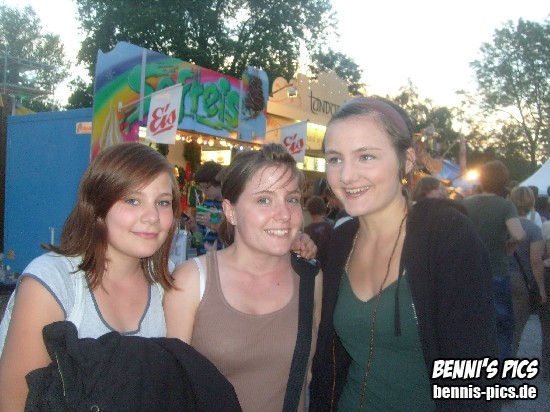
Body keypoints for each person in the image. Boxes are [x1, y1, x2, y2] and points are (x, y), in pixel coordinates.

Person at [309, 96, 498, 411]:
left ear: (407, 160)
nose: (346, 176)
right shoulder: (340, 239)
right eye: (335, 159)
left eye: (366, 156)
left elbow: (475, 374)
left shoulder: (445, 235)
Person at [0, 142, 182, 411]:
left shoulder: (170, 283)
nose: (152, 216)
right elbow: (15, 403)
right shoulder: (52, 283)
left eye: (163, 202)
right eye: (132, 200)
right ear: (98, 206)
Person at [164, 143, 323, 412]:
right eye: (264, 200)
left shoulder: (310, 279)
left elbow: (306, 376)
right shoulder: (191, 282)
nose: (284, 214)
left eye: (292, 199)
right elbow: (172, 389)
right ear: (231, 211)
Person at [463, 160, 526, 361]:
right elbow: (519, 234)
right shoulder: (505, 205)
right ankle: (498, 369)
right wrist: (510, 244)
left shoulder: (466, 203)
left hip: (470, 272)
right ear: (503, 181)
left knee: (472, 323)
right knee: (501, 324)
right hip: (497, 271)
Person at [508, 186, 547, 356]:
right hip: (521, 283)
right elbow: (535, 261)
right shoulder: (533, 229)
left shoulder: (503, 226)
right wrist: (542, 290)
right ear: (531, 202)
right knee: (515, 329)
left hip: (500, 278)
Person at [190, 161, 225, 256]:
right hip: (203, 257)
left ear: (219, 183)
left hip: (221, 259)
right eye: (201, 188)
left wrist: (211, 224)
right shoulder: (206, 203)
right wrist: (194, 227)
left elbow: (231, 236)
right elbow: (198, 240)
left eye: (206, 187)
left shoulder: (230, 206)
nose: (204, 192)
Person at [304, 195, 333, 266]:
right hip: (329, 265)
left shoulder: (307, 230)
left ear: (309, 211)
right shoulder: (331, 227)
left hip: (313, 266)